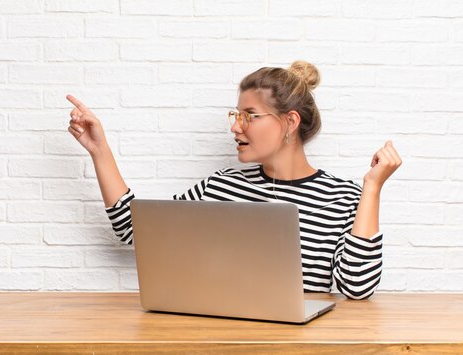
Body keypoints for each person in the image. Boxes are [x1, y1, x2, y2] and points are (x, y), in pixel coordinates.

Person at [66, 60, 402, 300]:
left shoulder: (344, 197)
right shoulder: (221, 187)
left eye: (250, 116)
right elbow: (132, 229)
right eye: (236, 115)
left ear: (290, 122)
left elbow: (357, 288)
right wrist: (100, 150)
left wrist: (371, 189)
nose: (235, 126)